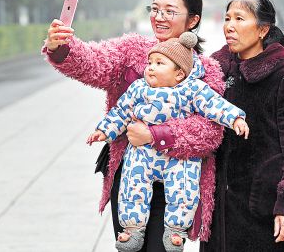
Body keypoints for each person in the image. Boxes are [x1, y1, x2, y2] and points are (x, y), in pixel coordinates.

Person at [44, 0, 226, 251]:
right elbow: (95, 62)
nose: (159, 17)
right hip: (131, 179)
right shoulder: (131, 51)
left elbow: (209, 133)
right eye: (155, 9)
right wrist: (62, 47)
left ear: (193, 20)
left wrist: (153, 135)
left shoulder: (206, 70)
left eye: (170, 11)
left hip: (177, 186)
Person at [87, 32, 249, 252]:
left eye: (159, 63)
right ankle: (133, 229)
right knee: (132, 186)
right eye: (150, 62)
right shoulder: (139, 89)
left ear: (180, 73)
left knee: (184, 190)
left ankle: (175, 230)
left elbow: (215, 105)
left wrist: (236, 118)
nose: (150, 67)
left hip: (177, 159)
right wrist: (103, 130)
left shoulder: (192, 89)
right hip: (142, 155)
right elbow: (121, 111)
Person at [204, 0, 284, 252]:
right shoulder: (216, 73)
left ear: (263, 29)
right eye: (228, 18)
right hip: (220, 208)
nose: (229, 26)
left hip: (264, 209)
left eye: (240, 19)